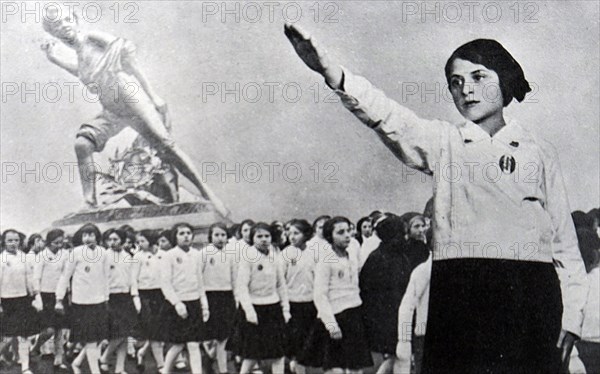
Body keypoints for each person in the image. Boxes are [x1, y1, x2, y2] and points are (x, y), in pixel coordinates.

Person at [284, 25, 587, 373]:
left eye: (478, 76)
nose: (466, 89)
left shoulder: (539, 152)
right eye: (456, 82)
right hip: (460, 293)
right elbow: (389, 118)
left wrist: (573, 316)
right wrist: (333, 74)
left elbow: (565, 245)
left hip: (531, 295)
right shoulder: (444, 143)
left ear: (504, 78)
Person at [40, 7, 228, 217]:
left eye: (67, 20)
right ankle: (90, 203)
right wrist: (54, 59)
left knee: (165, 145)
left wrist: (154, 95)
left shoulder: (92, 38)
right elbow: (81, 72)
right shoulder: (81, 56)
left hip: (130, 97)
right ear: (53, 33)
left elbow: (128, 55)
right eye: (58, 25)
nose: (64, 26)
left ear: (75, 20)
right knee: (82, 144)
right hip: (112, 109)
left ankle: (208, 194)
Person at [300, 217, 373, 374]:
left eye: (348, 231)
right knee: (335, 368)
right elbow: (320, 295)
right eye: (341, 232)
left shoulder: (352, 256)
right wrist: (331, 324)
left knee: (355, 367)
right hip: (335, 316)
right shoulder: (326, 260)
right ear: (329, 236)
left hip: (354, 315)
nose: (347, 235)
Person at [359, 215, 415, 374]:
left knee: (397, 355)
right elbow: (368, 292)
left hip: (397, 313)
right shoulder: (377, 258)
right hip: (385, 317)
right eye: (401, 233)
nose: (405, 237)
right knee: (397, 354)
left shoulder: (400, 256)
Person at [233, 222, 290, 374]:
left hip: (273, 307)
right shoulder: (247, 257)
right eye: (259, 236)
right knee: (252, 354)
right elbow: (242, 287)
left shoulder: (275, 255)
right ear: (252, 238)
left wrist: (285, 309)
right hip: (254, 308)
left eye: (267, 236)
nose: (264, 239)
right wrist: (249, 312)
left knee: (279, 353)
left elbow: (281, 284)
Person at [55, 223, 110, 374]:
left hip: (99, 301)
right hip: (81, 303)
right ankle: (95, 371)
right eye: (85, 235)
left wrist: (106, 297)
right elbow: (65, 277)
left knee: (97, 338)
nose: (88, 238)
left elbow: (106, 277)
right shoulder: (75, 253)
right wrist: (59, 299)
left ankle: (77, 363)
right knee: (91, 340)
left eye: (91, 234)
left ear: (97, 236)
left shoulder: (104, 252)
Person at [160, 223, 210, 374]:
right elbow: (165, 284)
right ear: (175, 236)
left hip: (194, 302)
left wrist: (204, 305)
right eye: (181, 233)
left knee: (194, 343)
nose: (186, 236)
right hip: (177, 304)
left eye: (189, 233)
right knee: (178, 345)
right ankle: (165, 370)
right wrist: (177, 303)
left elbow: (200, 281)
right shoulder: (169, 256)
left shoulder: (196, 254)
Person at [98, 228, 139, 374]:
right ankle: (104, 357)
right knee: (118, 334)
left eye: (115, 239)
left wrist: (135, 297)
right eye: (110, 239)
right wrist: (104, 298)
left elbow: (132, 279)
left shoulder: (128, 257)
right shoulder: (104, 256)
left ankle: (119, 368)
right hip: (111, 298)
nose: (112, 242)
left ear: (121, 240)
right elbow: (102, 278)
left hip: (125, 297)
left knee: (125, 334)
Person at [200, 223, 237, 374]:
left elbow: (234, 278)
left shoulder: (231, 254)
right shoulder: (204, 253)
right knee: (210, 334)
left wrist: (236, 298)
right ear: (210, 236)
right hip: (210, 296)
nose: (220, 238)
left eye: (223, 235)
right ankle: (209, 356)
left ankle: (222, 369)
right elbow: (199, 277)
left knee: (224, 336)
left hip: (226, 297)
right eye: (216, 235)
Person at [281, 219, 317, 374]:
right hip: (292, 303)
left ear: (306, 234)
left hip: (309, 303)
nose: (292, 237)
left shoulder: (313, 252)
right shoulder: (286, 253)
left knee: (307, 340)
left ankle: (298, 366)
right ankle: (293, 365)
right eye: (290, 233)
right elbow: (280, 280)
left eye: (296, 233)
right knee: (293, 340)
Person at [31, 229, 70, 370]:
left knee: (59, 328)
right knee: (49, 329)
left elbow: (65, 276)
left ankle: (59, 358)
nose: (59, 245)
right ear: (49, 242)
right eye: (56, 243)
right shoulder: (41, 256)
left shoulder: (65, 255)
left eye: (61, 242)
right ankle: (36, 347)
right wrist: (37, 295)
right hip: (45, 295)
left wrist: (63, 295)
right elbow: (36, 277)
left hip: (60, 294)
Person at [0, 229, 37, 374]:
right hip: (6, 300)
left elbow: (29, 277)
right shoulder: (2, 259)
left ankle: (25, 366)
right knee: (8, 336)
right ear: (4, 242)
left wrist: (33, 295)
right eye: (10, 240)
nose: (13, 243)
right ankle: (14, 356)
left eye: (16, 240)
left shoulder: (24, 257)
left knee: (23, 334)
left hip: (22, 300)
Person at [132, 229, 167, 373]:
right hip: (145, 295)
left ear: (151, 240)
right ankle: (161, 365)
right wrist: (135, 297)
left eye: (143, 241)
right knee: (153, 330)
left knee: (161, 330)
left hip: (161, 295)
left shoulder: (163, 255)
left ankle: (141, 352)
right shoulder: (138, 257)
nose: (140, 244)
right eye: (138, 241)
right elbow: (133, 278)